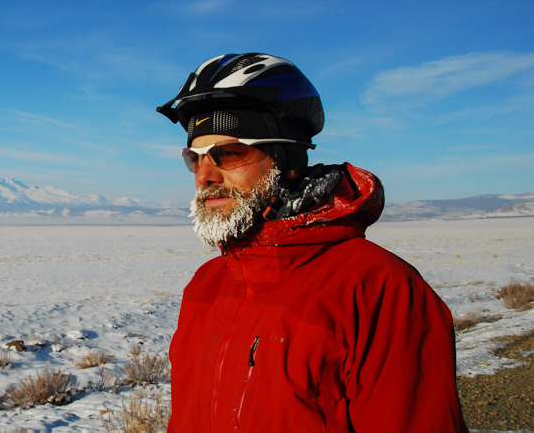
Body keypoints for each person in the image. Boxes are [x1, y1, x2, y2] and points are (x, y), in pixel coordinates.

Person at [156, 53, 468, 432]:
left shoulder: (378, 288)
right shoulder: (207, 283)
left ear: (286, 160)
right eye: (195, 158)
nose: (204, 176)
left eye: (229, 153)